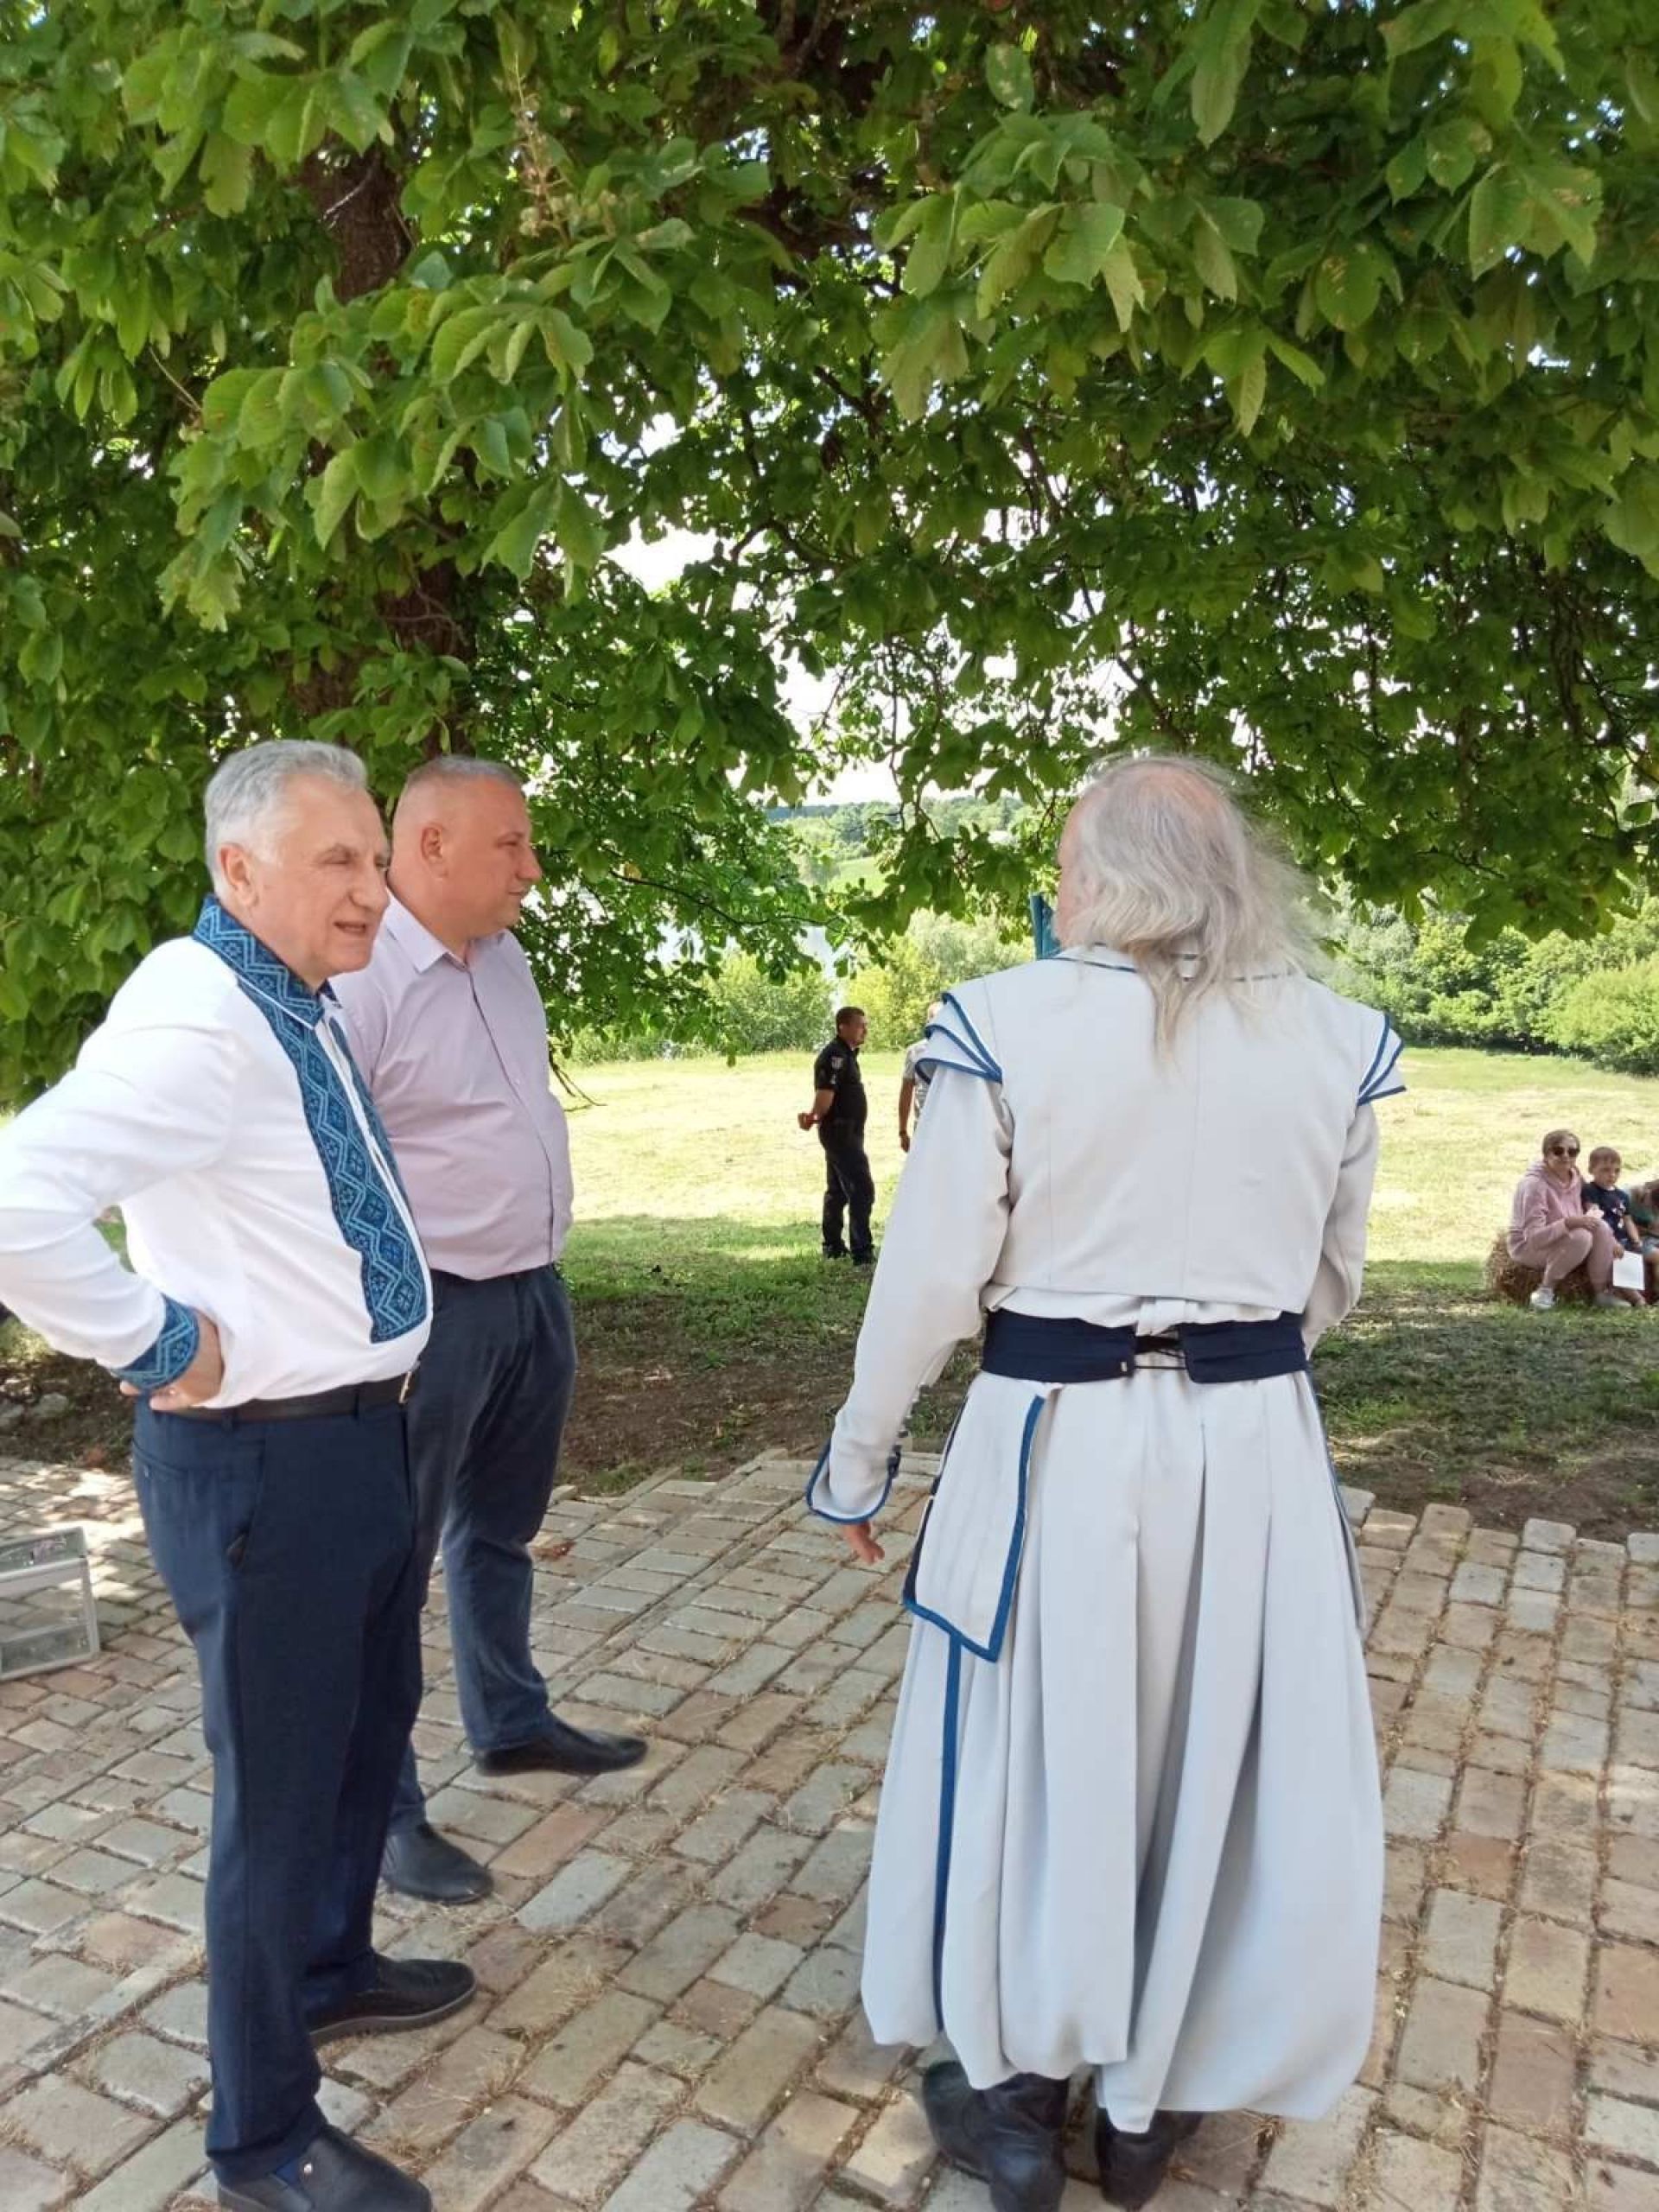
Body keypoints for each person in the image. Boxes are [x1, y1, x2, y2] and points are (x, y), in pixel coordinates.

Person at [808, 755, 1400, 2212]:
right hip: (1253, 1445)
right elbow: (1330, 1282)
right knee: (1216, 1743)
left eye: (1071, 860)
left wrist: (859, 1459)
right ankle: (1152, 2107)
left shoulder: (1002, 1028)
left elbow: (930, 1282)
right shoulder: (1337, 1041)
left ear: (1103, 877)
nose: (1062, 886)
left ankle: (1019, 2102)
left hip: (1057, 1439)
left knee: (1044, 1744)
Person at [0, 742, 461, 2212]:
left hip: (353, 1443)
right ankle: (261, 2135)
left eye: (376, 859)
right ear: (239, 871)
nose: (372, 890)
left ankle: (330, 1968)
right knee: (277, 1798)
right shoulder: (201, 1018)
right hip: (268, 1465)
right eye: (339, 862)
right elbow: (15, 1200)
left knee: (361, 1737)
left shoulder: (290, 1002)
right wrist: (150, 1337)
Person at [330, 757, 645, 1908]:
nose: (532, 867)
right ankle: (384, 1813)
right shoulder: (360, 977)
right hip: (431, 1314)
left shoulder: (504, 959)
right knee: (387, 1566)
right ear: (431, 846)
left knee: (501, 1528)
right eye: (510, 844)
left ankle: (510, 1720)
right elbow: (324, 1168)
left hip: (531, 1291)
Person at [1508, 1130, 1632, 1312]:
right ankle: (1545, 1291)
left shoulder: (1575, 1176)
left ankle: (1601, 1293)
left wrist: (1612, 1241)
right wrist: (1569, 1223)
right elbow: (1534, 1239)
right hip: (1529, 1247)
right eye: (1558, 1151)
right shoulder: (1534, 1186)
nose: (1566, 1156)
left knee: (1601, 1226)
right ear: (1546, 1154)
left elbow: (1591, 1212)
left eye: (1572, 1152)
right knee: (1582, 1237)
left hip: (1567, 1237)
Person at [799, 1006, 875, 1262]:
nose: (865, 1030)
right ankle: (862, 1251)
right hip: (841, 1133)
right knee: (862, 1189)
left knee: (837, 1191)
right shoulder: (835, 1056)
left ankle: (833, 1245)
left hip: (847, 1131)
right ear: (843, 1027)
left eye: (865, 1025)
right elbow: (825, 1094)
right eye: (860, 1025)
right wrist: (814, 1115)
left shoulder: (847, 1054)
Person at [899, 1000, 945, 1154]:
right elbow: (906, 1091)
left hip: (950, 1124)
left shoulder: (960, 1051)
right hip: (924, 1124)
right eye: (936, 1018)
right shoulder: (915, 1051)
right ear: (928, 1022)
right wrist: (902, 1131)